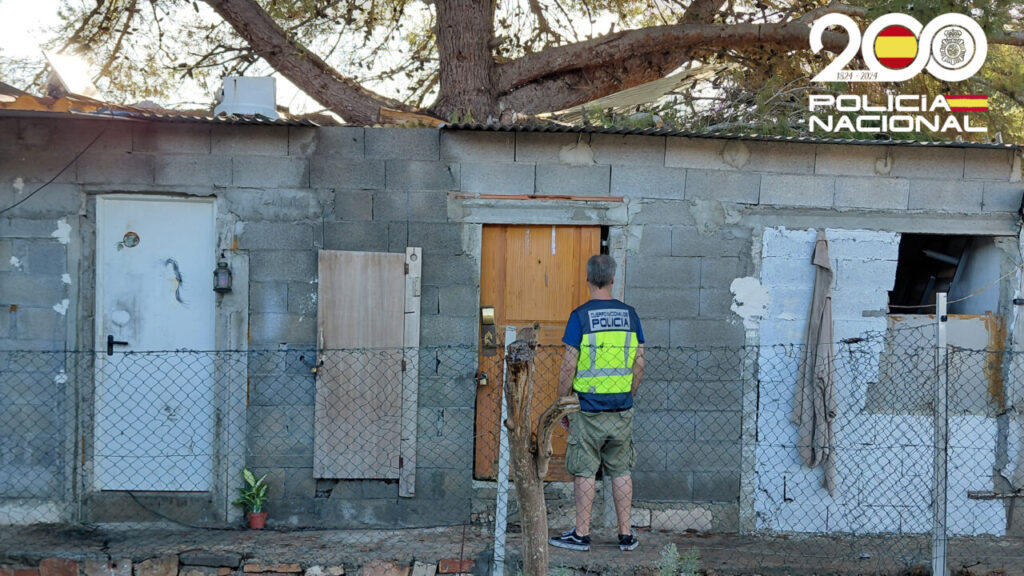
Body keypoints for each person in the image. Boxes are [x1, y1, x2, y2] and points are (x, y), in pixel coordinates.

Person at [549, 254, 645, 552]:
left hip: (588, 409)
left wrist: (563, 402)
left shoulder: (580, 316)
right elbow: (640, 362)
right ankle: (626, 535)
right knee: (621, 469)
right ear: (613, 279)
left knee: (585, 470)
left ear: (588, 279)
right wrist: (629, 393)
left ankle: (581, 533)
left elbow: (568, 364)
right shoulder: (630, 315)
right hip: (621, 408)